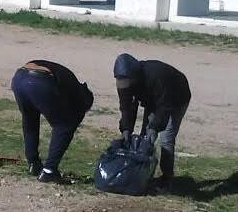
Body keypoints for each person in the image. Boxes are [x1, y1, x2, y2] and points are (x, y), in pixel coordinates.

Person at [113, 53, 191, 190]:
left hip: (177, 97)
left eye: (126, 82)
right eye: (121, 82)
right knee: (145, 138)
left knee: (166, 139)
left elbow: (164, 106)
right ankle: (143, 174)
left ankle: (166, 179)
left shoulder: (156, 76)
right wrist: (126, 129)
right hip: (153, 99)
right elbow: (126, 106)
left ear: (134, 76)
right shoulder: (125, 81)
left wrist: (155, 127)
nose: (123, 85)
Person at [11, 60, 94, 183]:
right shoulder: (76, 92)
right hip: (39, 81)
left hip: (19, 78)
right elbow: (69, 120)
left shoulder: (69, 82)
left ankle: (33, 164)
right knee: (65, 125)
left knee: (30, 119)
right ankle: (49, 171)